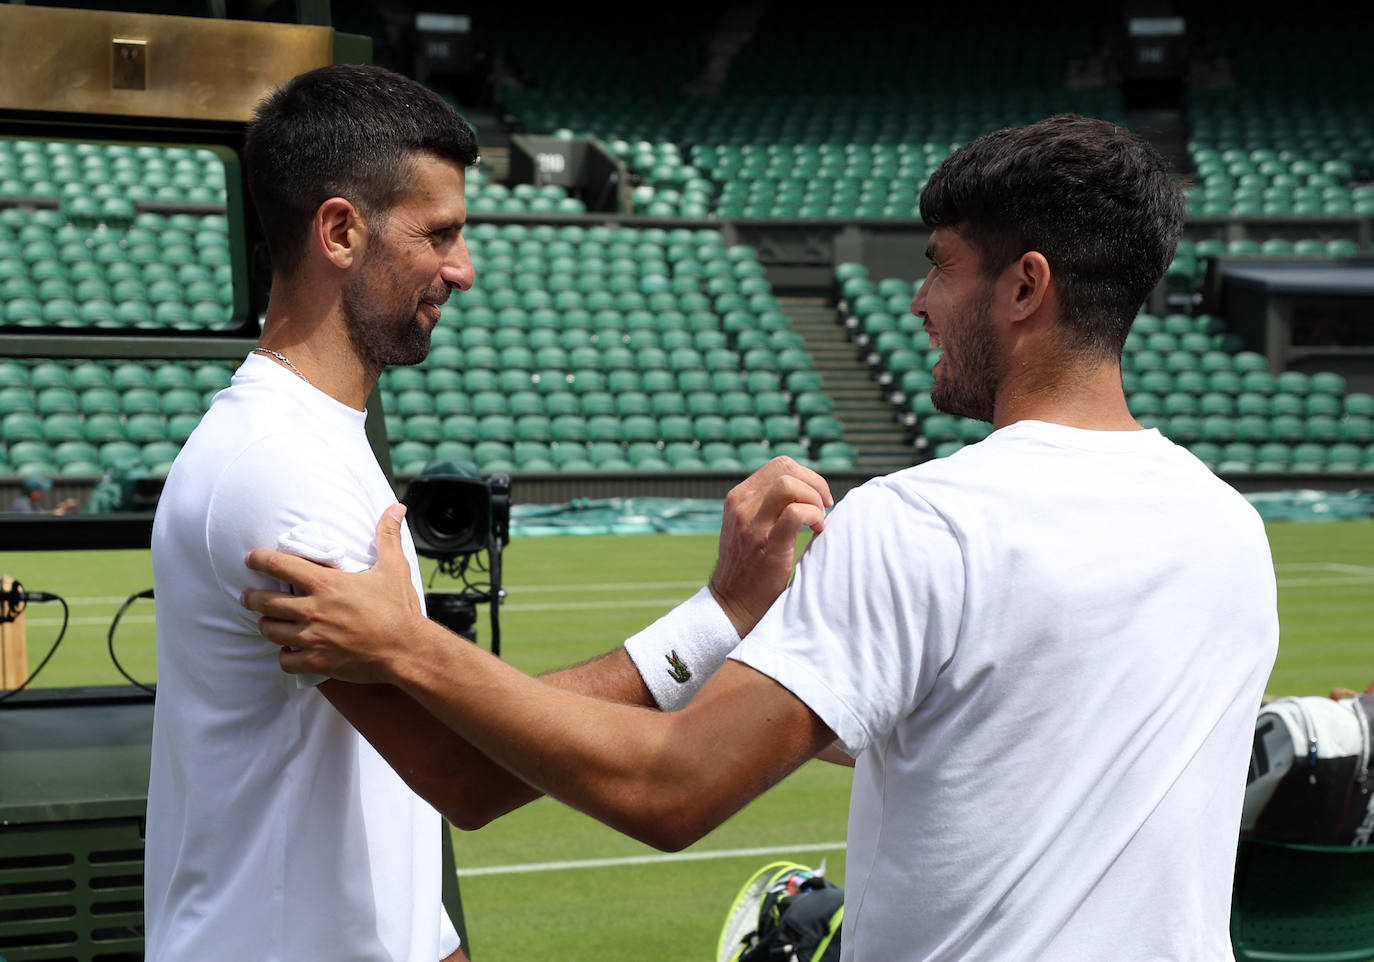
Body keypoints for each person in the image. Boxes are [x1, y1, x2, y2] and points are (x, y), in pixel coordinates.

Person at [243, 114, 1281, 961]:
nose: (918, 299)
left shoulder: (924, 519)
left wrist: (408, 645)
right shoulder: (1229, 528)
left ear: (1025, 287)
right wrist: (741, 624)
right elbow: (981, 729)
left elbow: (669, 788)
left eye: (941, 266)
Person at [147, 63, 832, 962]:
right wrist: (716, 622)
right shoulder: (278, 470)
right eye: (440, 234)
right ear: (341, 231)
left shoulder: (315, 439)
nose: (461, 270)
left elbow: (398, 801)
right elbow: (464, 771)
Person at [7, 474, 78, 514]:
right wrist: (54, 513)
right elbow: (33, 518)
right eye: (40, 490)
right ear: (33, 492)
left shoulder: (33, 504)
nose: (42, 493)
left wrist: (63, 506)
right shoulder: (21, 503)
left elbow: (42, 513)